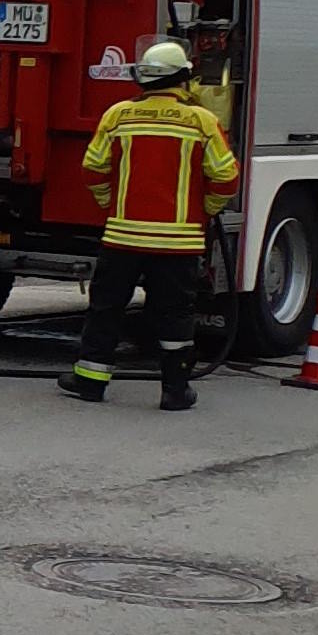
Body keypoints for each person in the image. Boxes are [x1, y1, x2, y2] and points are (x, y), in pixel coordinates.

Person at [60, 39, 239, 411]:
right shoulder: (202, 121)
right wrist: (203, 210)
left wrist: (112, 204)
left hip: (123, 237)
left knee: (107, 308)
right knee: (175, 315)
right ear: (183, 78)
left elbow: (93, 168)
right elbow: (226, 177)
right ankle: (175, 390)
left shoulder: (118, 115)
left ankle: (90, 381)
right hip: (178, 243)